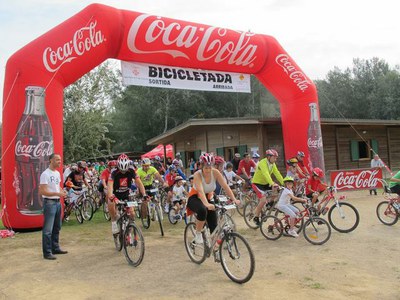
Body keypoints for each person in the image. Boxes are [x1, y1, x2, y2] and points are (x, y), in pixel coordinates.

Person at [187, 153, 240, 246]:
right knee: (203, 210)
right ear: (201, 166)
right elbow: (200, 191)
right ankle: (198, 233)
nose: (208, 170)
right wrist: (206, 204)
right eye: (206, 167)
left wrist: (234, 199)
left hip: (208, 197)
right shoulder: (197, 174)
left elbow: (225, 186)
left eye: (210, 167)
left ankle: (215, 249)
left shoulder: (215, 172)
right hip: (195, 197)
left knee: (213, 225)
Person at [107, 153, 148, 234]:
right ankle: (114, 222)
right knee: (110, 203)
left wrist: (144, 195)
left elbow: (139, 183)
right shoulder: (114, 171)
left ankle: (129, 230)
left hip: (126, 194)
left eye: (125, 170)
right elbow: (110, 185)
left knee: (132, 214)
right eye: (121, 170)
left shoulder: (132, 170)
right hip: (115, 194)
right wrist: (111, 195)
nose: (123, 172)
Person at [39, 153, 68, 260]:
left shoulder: (57, 173)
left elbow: (57, 187)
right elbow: (43, 191)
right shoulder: (45, 174)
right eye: (57, 160)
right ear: (51, 160)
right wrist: (58, 194)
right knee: (48, 229)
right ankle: (47, 252)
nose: (59, 162)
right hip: (49, 203)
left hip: (57, 202)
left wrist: (62, 191)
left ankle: (55, 247)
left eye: (60, 160)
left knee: (57, 227)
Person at [251, 149, 284, 226]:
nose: (275, 159)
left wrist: (284, 183)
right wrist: (272, 183)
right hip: (257, 183)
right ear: (269, 157)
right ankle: (256, 217)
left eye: (276, 158)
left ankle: (269, 204)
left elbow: (277, 173)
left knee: (277, 190)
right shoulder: (263, 162)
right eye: (274, 158)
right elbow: (266, 174)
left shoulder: (272, 164)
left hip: (265, 183)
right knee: (263, 200)